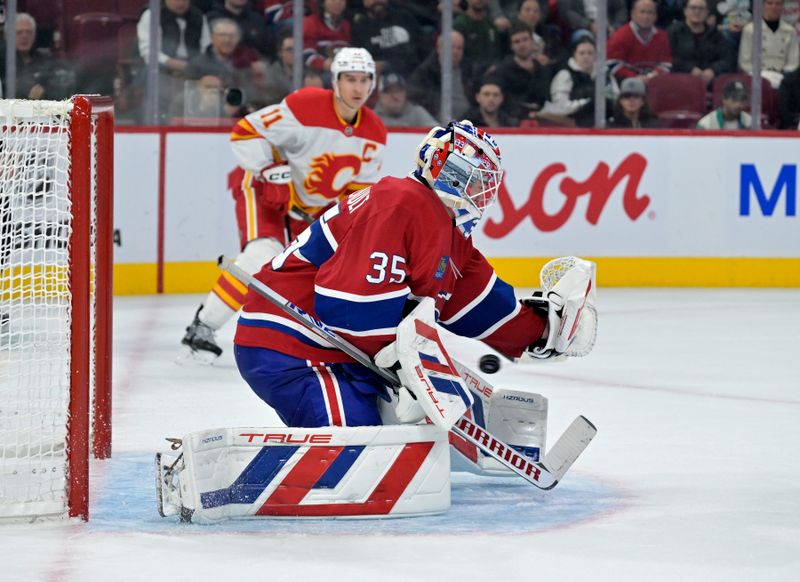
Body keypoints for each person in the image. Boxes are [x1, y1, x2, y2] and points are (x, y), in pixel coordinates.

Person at [232, 120, 596, 428]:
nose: (480, 191)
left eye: (485, 181)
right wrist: (409, 368)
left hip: (337, 352)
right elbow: (350, 306)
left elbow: (473, 300)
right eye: (470, 178)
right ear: (442, 167)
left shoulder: (446, 227)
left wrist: (542, 330)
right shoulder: (400, 202)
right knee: (361, 453)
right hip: (290, 347)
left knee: (394, 445)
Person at [181, 48, 387, 360]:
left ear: (372, 84)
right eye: (349, 79)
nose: (357, 88)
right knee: (262, 254)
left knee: (310, 270)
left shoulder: (375, 133)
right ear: (336, 81)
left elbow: (355, 194)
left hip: (309, 208)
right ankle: (203, 326)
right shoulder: (305, 105)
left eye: (364, 80)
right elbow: (245, 131)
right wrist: (268, 170)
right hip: (261, 187)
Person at [137, 0, 211, 119]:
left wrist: (194, 64)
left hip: (192, 67)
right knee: (150, 73)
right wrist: (171, 63)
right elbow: (148, 51)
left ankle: (200, 120)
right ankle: (152, 121)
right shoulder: (152, 15)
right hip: (162, 66)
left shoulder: (199, 16)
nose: (181, 3)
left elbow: (206, 47)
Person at [0, 12, 75, 100]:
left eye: (28, 32)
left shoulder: (45, 57)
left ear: (34, 35)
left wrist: (45, 90)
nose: (24, 36)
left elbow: (65, 78)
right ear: (8, 36)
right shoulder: (3, 61)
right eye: (19, 32)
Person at [544, 35, 612, 127]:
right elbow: (560, 106)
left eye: (590, 53)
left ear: (595, 55)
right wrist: (586, 104)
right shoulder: (565, 75)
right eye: (582, 53)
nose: (586, 57)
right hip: (572, 124)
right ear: (574, 54)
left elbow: (615, 97)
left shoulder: (604, 74)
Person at [408, 31, 474, 121]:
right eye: (451, 47)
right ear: (439, 48)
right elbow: (415, 98)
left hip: (471, 124)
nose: (455, 52)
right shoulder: (425, 73)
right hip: (436, 124)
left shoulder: (470, 70)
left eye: (459, 48)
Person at [667, 0, 734, 86]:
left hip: (709, 82)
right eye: (693, 8)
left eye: (701, 8)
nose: (697, 11)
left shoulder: (715, 34)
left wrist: (713, 70)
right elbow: (668, 58)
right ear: (685, 11)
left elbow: (727, 59)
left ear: (707, 12)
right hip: (679, 82)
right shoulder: (673, 32)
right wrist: (690, 69)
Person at [494, 21, 551, 119]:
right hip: (514, 122)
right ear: (511, 46)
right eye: (517, 41)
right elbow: (505, 101)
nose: (522, 45)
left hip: (543, 119)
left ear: (532, 41)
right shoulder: (503, 70)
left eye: (525, 40)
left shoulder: (542, 69)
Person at [607, 0, 673, 84]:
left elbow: (666, 63)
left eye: (650, 12)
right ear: (633, 14)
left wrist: (651, 76)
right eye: (642, 12)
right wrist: (634, 77)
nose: (646, 16)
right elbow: (612, 64)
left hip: (654, 83)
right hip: (625, 85)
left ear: (655, 16)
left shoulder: (662, 37)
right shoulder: (620, 36)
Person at [738, 0, 799, 89]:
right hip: (756, 76)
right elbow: (744, 61)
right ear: (763, 5)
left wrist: (784, 74)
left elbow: (794, 61)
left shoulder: (790, 31)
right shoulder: (750, 29)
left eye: (778, 4)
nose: (774, 7)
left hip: (782, 77)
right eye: (770, 3)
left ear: (782, 7)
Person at [351, 0, 422, 76]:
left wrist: (387, 65)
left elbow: (422, 49)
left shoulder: (405, 18)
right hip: (379, 79)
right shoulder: (359, 29)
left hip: (413, 75)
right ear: (364, 2)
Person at [373, 71, 439, 127]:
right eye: (388, 92)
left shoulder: (417, 113)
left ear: (405, 93)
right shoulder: (371, 118)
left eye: (398, 91)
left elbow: (439, 135)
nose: (394, 96)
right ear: (379, 95)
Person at [454, 0, 501, 73]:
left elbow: (496, 53)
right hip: (469, 74)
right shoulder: (460, 24)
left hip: (492, 73)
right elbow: (459, 56)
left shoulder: (491, 25)